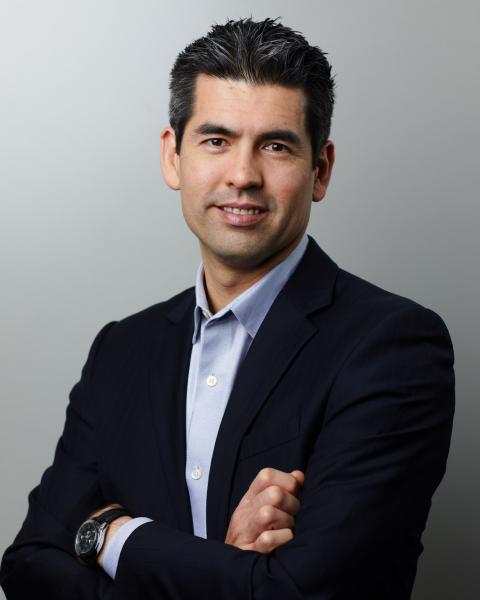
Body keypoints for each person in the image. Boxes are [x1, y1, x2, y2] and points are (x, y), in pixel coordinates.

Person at [0, 17, 454, 599]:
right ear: (174, 156)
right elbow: (28, 567)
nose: (243, 175)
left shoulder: (392, 347)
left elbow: (304, 592)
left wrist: (112, 536)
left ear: (319, 170)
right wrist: (225, 565)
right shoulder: (121, 349)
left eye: (276, 146)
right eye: (216, 141)